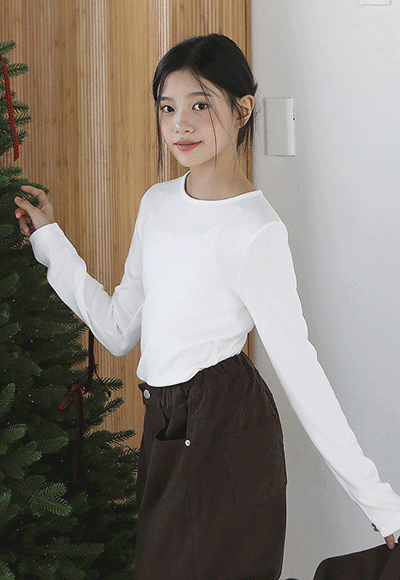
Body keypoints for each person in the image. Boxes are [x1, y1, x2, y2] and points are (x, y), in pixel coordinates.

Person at [14, 33, 400, 580]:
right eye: (167, 108)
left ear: (243, 110)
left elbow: (302, 373)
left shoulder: (256, 231)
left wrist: (382, 504)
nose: (181, 125)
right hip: (165, 427)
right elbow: (120, 329)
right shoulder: (157, 205)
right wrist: (51, 242)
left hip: (226, 428)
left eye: (200, 105)